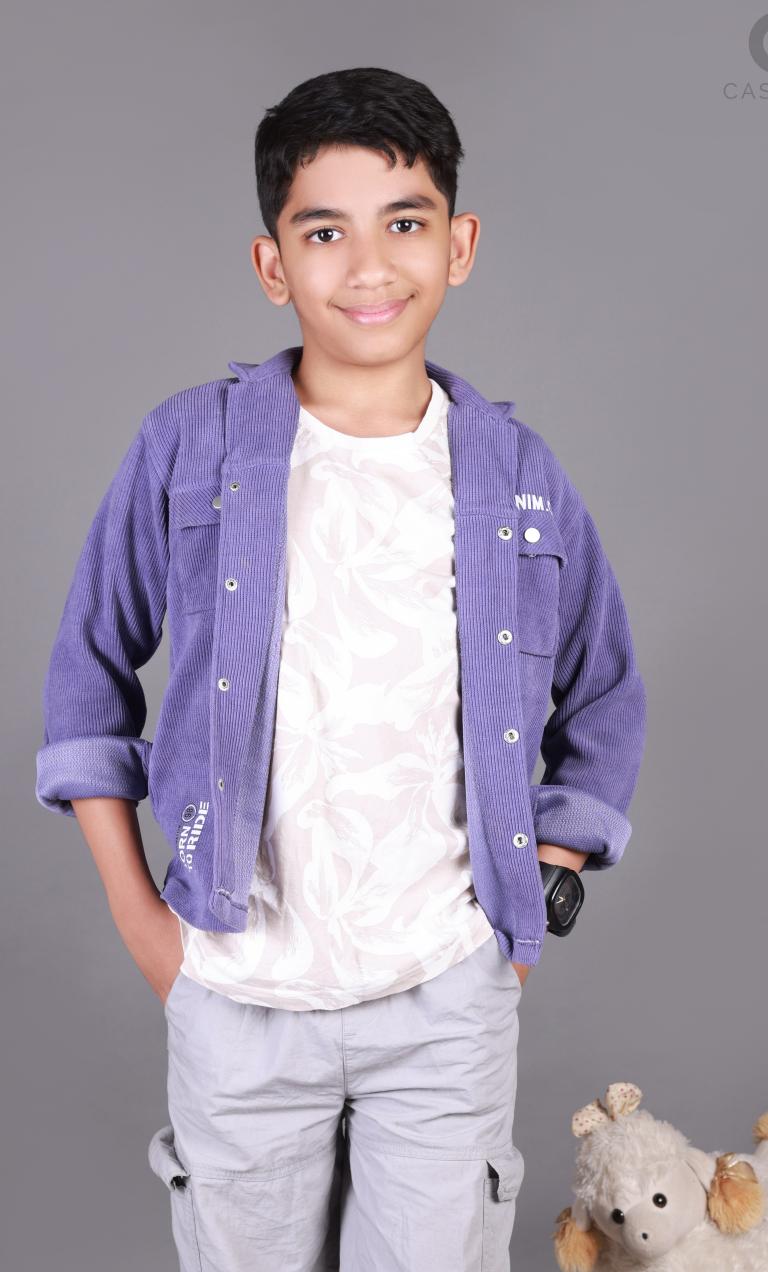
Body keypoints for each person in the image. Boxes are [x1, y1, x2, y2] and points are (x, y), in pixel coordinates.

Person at [35, 65, 647, 1272]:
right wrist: (146, 926)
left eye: (403, 224)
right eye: (325, 233)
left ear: (457, 244)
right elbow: (85, 673)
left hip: (445, 997)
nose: (369, 267)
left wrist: (537, 896)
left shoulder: (517, 472)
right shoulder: (188, 448)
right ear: (274, 264)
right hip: (236, 991)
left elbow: (605, 690)